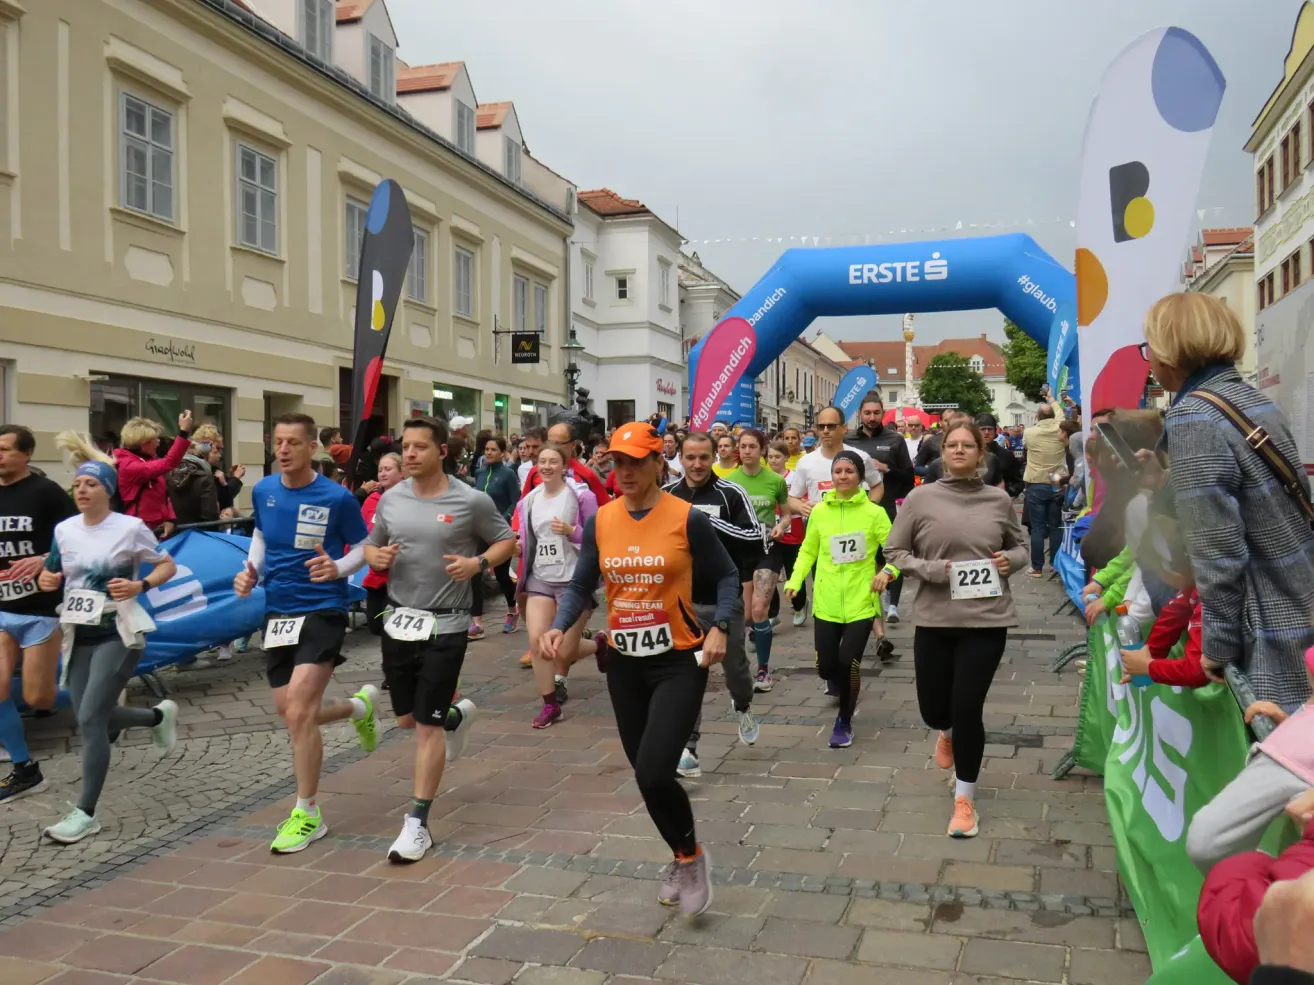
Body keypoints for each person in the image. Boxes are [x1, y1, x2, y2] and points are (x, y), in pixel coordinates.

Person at [540, 422, 738, 917]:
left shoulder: (687, 518)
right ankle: (683, 853)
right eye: (616, 463)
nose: (623, 472)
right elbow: (583, 582)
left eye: (634, 462)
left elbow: (729, 575)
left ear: (657, 464)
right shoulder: (603, 520)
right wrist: (562, 626)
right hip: (625, 662)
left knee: (654, 770)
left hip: (677, 660)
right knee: (644, 773)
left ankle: (690, 860)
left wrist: (723, 629)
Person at [1145, 292, 1314, 710]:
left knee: (1285, 756)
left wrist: (1216, 649)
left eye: (1148, 346)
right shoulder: (1249, 399)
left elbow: (1217, 551)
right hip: (1300, 589)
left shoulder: (1193, 417)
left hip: (1271, 616)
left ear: (1168, 353)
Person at [362, 416, 515, 862]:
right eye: (405, 447)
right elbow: (371, 546)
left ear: (442, 452)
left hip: (447, 624)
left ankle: (417, 824)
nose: (409, 454)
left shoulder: (470, 500)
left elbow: (507, 541)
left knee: (423, 730)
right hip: (400, 620)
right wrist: (379, 555)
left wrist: (478, 565)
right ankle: (454, 718)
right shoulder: (390, 499)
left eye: (419, 448)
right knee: (409, 720)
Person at [233, 413, 382, 854]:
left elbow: (364, 548)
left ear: (311, 447)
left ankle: (307, 812)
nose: (282, 450)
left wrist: (338, 567)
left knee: (299, 709)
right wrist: (251, 573)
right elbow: (260, 535)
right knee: (294, 711)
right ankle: (359, 707)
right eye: (277, 442)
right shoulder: (263, 490)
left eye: (292, 442)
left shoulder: (337, 498)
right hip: (278, 610)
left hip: (323, 607)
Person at [880, 419, 1029, 838]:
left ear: (982, 455)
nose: (960, 451)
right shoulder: (921, 498)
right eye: (953, 445)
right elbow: (894, 549)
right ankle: (943, 732)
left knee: (968, 708)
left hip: (987, 619)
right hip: (934, 617)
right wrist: (934, 570)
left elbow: (1021, 547)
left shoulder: (998, 500)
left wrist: (1010, 562)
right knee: (935, 709)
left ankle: (965, 799)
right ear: (942, 452)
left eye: (969, 445)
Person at [37, 434, 180, 844]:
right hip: (78, 632)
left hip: (118, 632)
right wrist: (47, 578)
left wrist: (141, 585)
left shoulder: (130, 528)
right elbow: (51, 573)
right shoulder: (64, 530)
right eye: (78, 484)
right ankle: (157, 717)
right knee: (92, 714)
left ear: (109, 491)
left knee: (87, 719)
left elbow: (167, 565)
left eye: (91, 484)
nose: (81, 489)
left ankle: (85, 813)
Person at [664, 433, 762, 776]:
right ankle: (688, 748)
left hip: (723, 598)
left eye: (704, 457)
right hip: (681, 602)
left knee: (734, 667)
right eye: (690, 457)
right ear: (681, 457)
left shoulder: (731, 493)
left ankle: (743, 703)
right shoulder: (668, 495)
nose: (697, 464)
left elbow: (756, 538)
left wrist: (710, 524)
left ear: (717, 456)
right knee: (691, 672)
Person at [783, 451, 891, 748]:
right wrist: (794, 580)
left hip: (861, 602)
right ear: (831, 477)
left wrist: (889, 572)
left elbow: (894, 550)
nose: (843, 476)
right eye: (838, 471)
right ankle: (834, 678)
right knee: (826, 668)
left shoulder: (873, 512)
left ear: (860, 477)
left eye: (849, 471)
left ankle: (844, 720)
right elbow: (808, 550)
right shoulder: (819, 512)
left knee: (849, 664)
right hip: (827, 602)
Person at [0, 425, 77, 803]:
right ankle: (25, 769)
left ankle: (101, 704)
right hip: (1, 610)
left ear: (26, 454)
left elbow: (77, 541)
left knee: (39, 698)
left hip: (41, 611)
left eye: (4, 449)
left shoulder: (46, 494)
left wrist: (43, 560)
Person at [514, 443, 598, 728]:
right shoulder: (529, 501)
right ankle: (550, 705)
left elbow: (600, 537)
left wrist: (574, 532)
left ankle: (601, 645)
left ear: (565, 466)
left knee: (563, 651)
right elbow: (526, 538)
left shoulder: (581, 496)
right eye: (542, 461)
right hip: (541, 577)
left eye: (553, 461)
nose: (547, 466)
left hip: (575, 580)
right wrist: (518, 548)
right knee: (539, 642)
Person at [788, 406, 884, 655]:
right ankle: (831, 649)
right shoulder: (807, 462)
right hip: (822, 534)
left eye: (831, 426)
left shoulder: (859, 457)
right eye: (821, 427)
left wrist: (867, 510)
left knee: (861, 582)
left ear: (844, 428)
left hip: (857, 534)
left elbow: (877, 486)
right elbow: (792, 498)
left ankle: (868, 636)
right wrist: (803, 507)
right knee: (827, 587)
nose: (826, 431)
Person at [726, 428, 791, 692]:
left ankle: (763, 672)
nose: (747, 451)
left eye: (753, 446)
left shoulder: (775, 481)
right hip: (740, 550)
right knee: (746, 616)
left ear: (762, 449)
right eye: (743, 447)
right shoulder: (730, 482)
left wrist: (781, 526)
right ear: (737, 450)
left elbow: (786, 514)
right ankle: (741, 664)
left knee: (760, 607)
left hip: (767, 547)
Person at [847, 395, 915, 623]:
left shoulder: (895, 440)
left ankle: (893, 603)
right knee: (861, 556)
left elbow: (908, 477)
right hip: (855, 508)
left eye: (876, 413)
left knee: (891, 554)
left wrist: (886, 469)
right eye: (867, 413)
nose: (872, 417)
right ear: (860, 413)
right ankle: (863, 600)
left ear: (883, 413)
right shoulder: (849, 440)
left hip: (886, 507)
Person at [470, 436, 521, 639]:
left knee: (501, 574)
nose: (489, 452)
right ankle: (477, 622)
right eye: (486, 449)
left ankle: (512, 610)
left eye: (493, 449)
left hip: (500, 533)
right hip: (480, 531)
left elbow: (515, 501)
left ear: (502, 452)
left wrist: (503, 518)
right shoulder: (480, 473)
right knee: (475, 571)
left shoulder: (508, 474)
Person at [114, 411, 193, 538]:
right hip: (137, 533)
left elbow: (164, 494)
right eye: (154, 439)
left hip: (156, 531)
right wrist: (183, 432)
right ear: (143, 443)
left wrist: (170, 519)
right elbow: (170, 462)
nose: (158, 443)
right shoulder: (128, 466)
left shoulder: (149, 460)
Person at [1021, 387, 1067, 576]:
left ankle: (1037, 567)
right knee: (1055, 525)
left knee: (1038, 527)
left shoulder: (1030, 433)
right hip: (1055, 480)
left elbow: (1025, 447)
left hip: (1036, 481)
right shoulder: (1060, 429)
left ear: (1037, 417)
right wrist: (1052, 399)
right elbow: (1061, 415)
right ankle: (1055, 565)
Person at [360, 452, 404, 637]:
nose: (383, 473)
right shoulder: (371, 500)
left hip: (402, 576)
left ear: (402, 472)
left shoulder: (410, 499)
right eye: (380, 470)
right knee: (376, 626)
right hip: (375, 575)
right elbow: (361, 535)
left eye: (388, 469)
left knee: (394, 631)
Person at [767, 439, 808, 627]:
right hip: (770, 532)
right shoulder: (764, 478)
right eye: (770, 457)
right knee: (770, 574)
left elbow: (803, 503)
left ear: (786, 458)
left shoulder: (794, 478)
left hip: (794, 532)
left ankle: (799, 605)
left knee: (793, 572)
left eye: (777, 457)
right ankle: (772, 612)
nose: (773, 460)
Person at [167, 433, 220, 527]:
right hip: (198, 534)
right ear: (203, 458)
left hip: (172, 532)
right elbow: (209, 514)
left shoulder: (166, 474)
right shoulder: (205, 477)